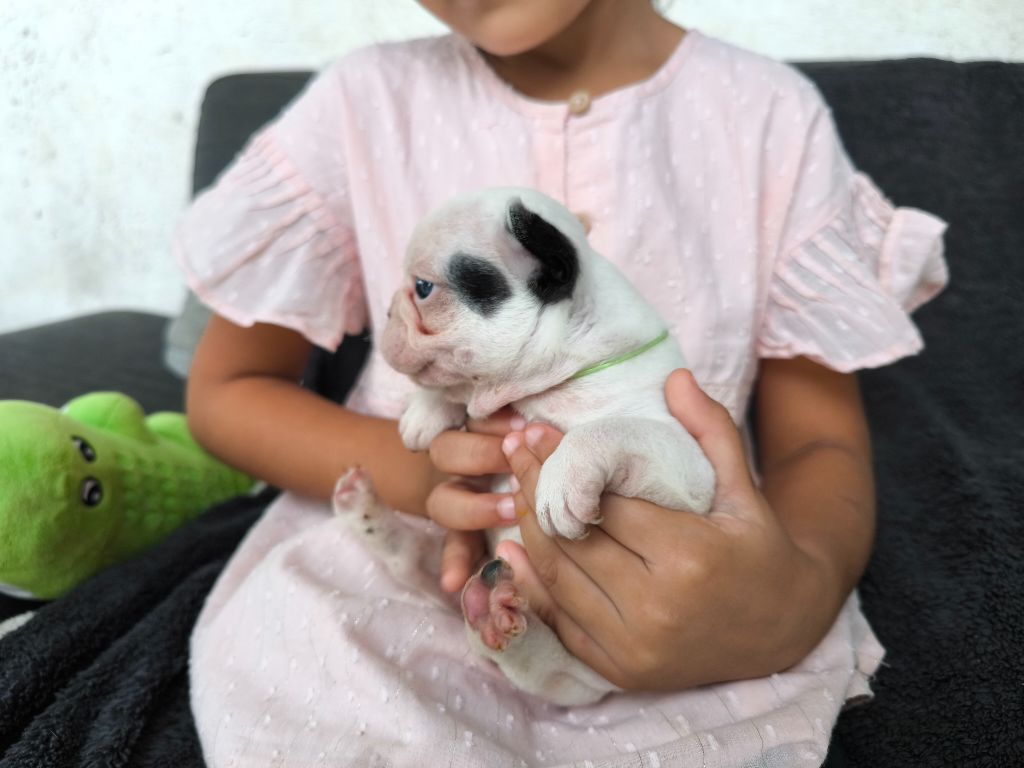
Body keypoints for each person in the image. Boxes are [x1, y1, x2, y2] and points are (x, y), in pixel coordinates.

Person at [177, 1, 948, 765]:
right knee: (306, 658)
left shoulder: (771, 118)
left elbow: (818, 443)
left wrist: (792, 600)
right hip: (395, 581)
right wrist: (431, 474)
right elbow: (227, 390)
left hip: (680, 592)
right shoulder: (361, 102)